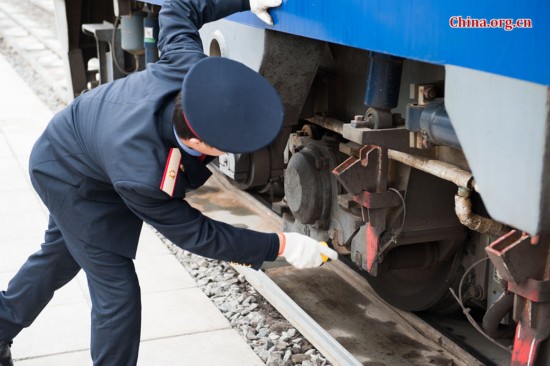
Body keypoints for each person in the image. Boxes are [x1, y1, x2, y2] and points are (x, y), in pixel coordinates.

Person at [0, 0, 338, 365]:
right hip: (69, 174)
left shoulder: (186, 65)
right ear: (198, 143)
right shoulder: (143, 177)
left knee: (58, 259)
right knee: (118, 293)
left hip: (93, 148)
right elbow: (199, 235)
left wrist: (246, 1)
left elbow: (180, 7)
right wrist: (281, 244)